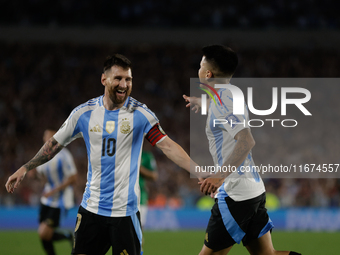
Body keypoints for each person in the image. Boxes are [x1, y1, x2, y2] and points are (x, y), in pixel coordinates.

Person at [6, 53, 200, 255]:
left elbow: (168, 146)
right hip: (92, 211)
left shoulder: (141, 115)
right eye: (118, 78)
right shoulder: (83, 114)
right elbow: (54, 144)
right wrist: (26, 167)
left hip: (125, 214)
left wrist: (199, 171)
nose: (124, 84)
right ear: (104, 79)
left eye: (128, 79)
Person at [183, 45, 301, 255]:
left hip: (236, 194)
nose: (198, 70)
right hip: (252, 190)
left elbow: (246, 141)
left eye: (201, 66)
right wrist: (205, 104)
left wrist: (219, 177)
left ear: (208, 73)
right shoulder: (230, 92)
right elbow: (227, 114)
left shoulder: (223, 99)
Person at [29, 128, 77, 255]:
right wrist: (33, 175)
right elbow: (41, 177)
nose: (46, 139)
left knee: (44, 232)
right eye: (45, 137)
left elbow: (73, 178)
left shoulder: (64, 155)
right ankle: (66, 236)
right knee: (44, 235)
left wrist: (54, 190)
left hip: (60, 200)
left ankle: (68, 237)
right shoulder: (44, 155)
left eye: (49, 137)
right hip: (46, 199)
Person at [139, 150, 158, 228]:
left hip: (140, 195)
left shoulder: (146, 156)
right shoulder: (123, 152)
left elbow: (154, 176)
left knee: (139, 228)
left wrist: (138, 167)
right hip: (121, 194)